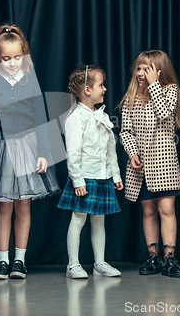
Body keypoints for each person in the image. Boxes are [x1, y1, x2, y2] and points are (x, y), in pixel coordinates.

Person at [0, 24, 60, 280]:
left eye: (17, 58)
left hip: (28, 149)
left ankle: (20, 260)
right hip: (1, 149)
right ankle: (3, 261)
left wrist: (43, 151)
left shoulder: (30, 82)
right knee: (4, 206)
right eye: (6, 58)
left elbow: (41, 119)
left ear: (25, 54)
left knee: (24, 205)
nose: (11, 63)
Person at [119, 49, 180, 278]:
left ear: (158, 71)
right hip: (141, 166)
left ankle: (170, 258)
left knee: (166, 208)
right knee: (148, 210)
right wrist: (132, 152)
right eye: (138, 68)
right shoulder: (131, 97)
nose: (140, 73)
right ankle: (153, 256)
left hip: (164, 163)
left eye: (146, 69)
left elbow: (165, 113)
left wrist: (154, 84)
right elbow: (125, 130)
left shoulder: (170, 90)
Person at [58, 65, 124, 279]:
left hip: (102, 176)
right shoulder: (76, 117)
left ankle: (99, 263)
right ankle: (73, 264)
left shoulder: (101, 115)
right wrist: (78, 181)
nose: (104, 89)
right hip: (85, 177)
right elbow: (73, 153)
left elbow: (110, 149)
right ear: (87, 89)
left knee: (99, 220)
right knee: (78, 219)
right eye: (101, 85)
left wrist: (116, 175)